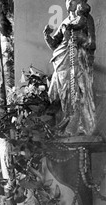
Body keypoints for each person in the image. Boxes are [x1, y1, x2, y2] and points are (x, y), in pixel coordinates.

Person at [43, 0, 96, 137]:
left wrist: (79, 38)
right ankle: (60, 123)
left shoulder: (86, 19)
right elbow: (56, 43)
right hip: (61, 60)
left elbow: (91, 43)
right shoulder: (66, 21)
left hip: (76, 61)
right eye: (68, 0)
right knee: (57, 93)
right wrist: (47, 36)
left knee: (74, 93)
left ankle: (73, 127)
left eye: (73, 0)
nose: (69, 3)